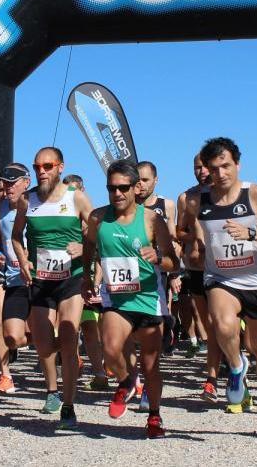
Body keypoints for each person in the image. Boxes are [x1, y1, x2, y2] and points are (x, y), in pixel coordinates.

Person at [184, 137, 257, 439]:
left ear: (237, 164)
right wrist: (194, 244)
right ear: (206, 169)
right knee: (220, 322)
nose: (221, 174)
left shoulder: (255, 194)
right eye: (214, 168)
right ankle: (235, 366)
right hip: (221, 278)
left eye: (226, 166)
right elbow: (184, 228)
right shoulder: (195, 200)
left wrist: (253, 233)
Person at [83, 160, 179, 439]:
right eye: (111, 188)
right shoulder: (98, 218)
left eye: (123, 188)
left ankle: (154, 416)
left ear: (136, 188)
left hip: (148, 298)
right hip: (117, 298)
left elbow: (174, 261)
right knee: (110, 347)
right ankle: (126, 380)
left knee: (151, 364)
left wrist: (158, 258)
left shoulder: (151, 220)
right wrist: (87, 277)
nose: (117, 194)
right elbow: (89, 244)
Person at [11, 146, 93, 429]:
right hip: (42, 281)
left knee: (68, 337)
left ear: (60, 167)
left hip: (71, 279)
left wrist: (82, 247)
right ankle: (51, 392)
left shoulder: (77, 198)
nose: (41, 172)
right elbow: (16, 237)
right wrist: (23, 261)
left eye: (47, 166)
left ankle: (68, 405)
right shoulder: (27, 200)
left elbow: (97, 234)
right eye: (37, 167)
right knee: (44, 343)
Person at [174, 153, 219, 400]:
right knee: (209, 326)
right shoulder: (186, 197)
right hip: (197, 267)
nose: (200, 171)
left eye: (204, 167)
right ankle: (212, 378)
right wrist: (193, 239)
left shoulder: (227, 194)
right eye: (196, 167)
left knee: (223, 322)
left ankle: (235, 360)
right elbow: (179, 230)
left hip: (224, 266)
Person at [0, 164, 31, 395]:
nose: (8, 187)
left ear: (26, 182)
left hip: (34, 277)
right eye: (5, 182)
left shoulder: (36, 207)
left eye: (12, 182)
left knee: (32, 332)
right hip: (8, 275)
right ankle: (5, 375)